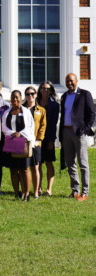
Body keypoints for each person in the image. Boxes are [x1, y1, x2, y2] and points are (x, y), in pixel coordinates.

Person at [59, 73, 95, 202]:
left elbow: (92, 114)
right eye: (67, 81)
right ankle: (75, 190)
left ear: (76, 81)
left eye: (71, 81)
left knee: (83, 163)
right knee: (70, 163)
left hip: (79, 133)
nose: (69, 83)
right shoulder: (63, 96)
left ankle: (84, 192)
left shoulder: (85, 94)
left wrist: (85, 129)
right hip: (66, 132)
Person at [2, 90, 35, 201]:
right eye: (13, 97)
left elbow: (30, 127)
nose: (15, 100)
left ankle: (26, 194)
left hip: (23, 143)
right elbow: (4, 127)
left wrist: (20, 134)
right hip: (11, 143)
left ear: (21, 98)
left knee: (25, 169)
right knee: (13, 170)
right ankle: (17, 193)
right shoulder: (7, 112)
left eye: (17, 97)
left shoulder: (26, 112)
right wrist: (12, 133)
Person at [37, 81, 60, 196]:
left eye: (46, 88)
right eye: (42, 88)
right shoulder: (36, 102)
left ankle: (49, 189)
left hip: (48, 137)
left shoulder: (54, 105)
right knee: (38, 163)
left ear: (51, 90)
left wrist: (51, 140)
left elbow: (54, 123)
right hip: (37, 137)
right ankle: (39, 187)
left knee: (49, 162)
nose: (44, 90)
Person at [24, 86, 46, 199]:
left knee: (36, 167)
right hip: (24, 143)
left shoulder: (41, 110)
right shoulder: (21, 109)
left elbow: (43, 126)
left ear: (36, 94)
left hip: (36, 143)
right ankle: (26, 191)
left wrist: (39, 139)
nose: (30, 96)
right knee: (25, 168)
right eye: (28, 94)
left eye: (32, 94)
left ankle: (36, 191)